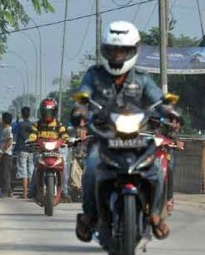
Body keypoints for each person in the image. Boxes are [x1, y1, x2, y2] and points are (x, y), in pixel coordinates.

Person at [72, 21, 179, 242]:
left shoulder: (141, 77)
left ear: (133, 51)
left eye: (122, 50)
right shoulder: (94, 75)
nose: (117, 55)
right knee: (91, 167)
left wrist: (171, 112)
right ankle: (90, 216)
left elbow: (159, 99)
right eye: (113, 50)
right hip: (104, 138)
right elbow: (82, 96)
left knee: (157, 171)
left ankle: (156, 215)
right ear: (105, 50)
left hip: (136, 138)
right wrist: (80, 112)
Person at [27, 98, 70, 203]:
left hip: (56, 150)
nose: (47, 115)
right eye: (45, 112)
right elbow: (33, 134)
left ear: (54, 112)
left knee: (64, 167)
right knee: (36, 165)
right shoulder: (36, 125)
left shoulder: (59, 125)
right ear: (41, 112)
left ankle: (64, 191)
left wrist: (68, 140)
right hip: (41, 150)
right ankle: (32, 189)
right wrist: (31, 140)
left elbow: (64, 134)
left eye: (50, 112)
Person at [0, 103, 14, 198]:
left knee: (5, 174)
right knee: (0, 173)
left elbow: (10, 142)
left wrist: (2, 151)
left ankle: (5, 191)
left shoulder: (8, 129)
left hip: (6, 154)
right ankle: (9, 190)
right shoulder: (1, 125)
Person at [12, 107, 34, 199]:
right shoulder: (33, 125)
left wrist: (16, 121)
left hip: (22, 150)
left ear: (22, 114)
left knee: (23, 171)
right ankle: (30, 191)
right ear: (29, 114)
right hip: (31, 150)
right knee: (30, 171)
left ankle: (24, 192)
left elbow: (13, 131)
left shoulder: (19, 124)